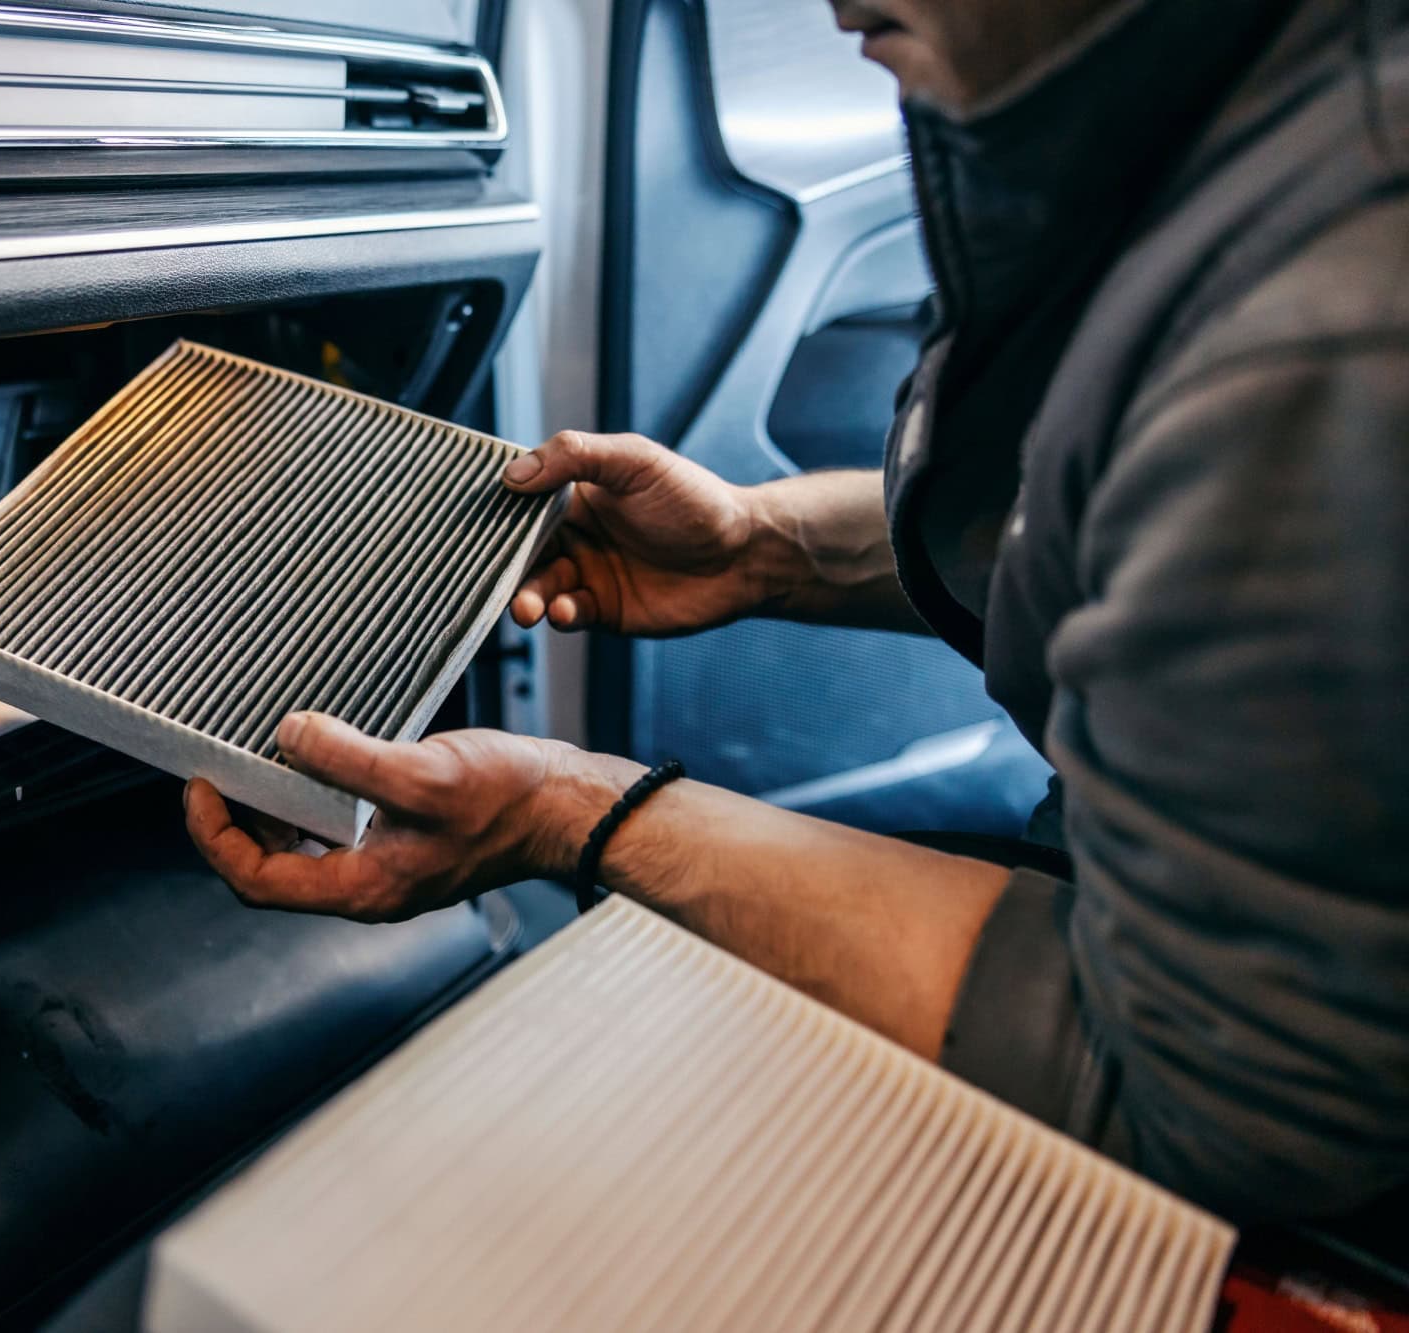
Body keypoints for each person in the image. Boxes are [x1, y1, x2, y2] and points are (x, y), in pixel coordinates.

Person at [185, 0, 1409, 1223]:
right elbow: (1122, 525)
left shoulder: (1335, 324)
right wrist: (759, 545)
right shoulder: (1230, 142)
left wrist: (565, 811)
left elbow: (1208, 1095)